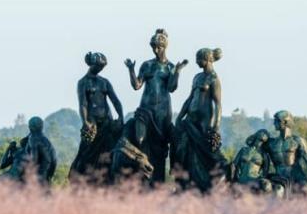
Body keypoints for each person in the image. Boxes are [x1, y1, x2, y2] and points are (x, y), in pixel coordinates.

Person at [124, 29, 187, 185]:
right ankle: (139, 174)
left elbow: (172, 87)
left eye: (158, 47)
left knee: (163, 145)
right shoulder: (147, 65)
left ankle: (161, 180)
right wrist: (131, 69)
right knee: (139, 139)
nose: (155, 50)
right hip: (145, 109)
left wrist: (177, 72)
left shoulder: (171, 67)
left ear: (164, 47)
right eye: (153, 47)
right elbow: (137, 85)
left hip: (163, 112)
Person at [171, 47, 228, 192]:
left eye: (199, 59)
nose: (197, 61)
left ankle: (219, 176)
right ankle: (185, 182)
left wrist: (215, 126)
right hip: (190, 120)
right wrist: (179, 116)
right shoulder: (197, 77)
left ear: (207, 59)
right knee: (183, 149)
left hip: (205, 121)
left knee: (208, 151)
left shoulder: (214, 78)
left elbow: (217, 104)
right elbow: (190, 98)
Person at [69, 52, 124, 185]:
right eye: (98, 66)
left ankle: (113, 178)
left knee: (114, 151)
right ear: (92, 65)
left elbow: (116, 101)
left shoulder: (104, 82)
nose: (100, 69)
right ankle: (81, 177)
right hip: (92, 124)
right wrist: (85, 122)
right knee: (86, 153)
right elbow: (83, 104)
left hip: (107, 122)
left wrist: (121, 117)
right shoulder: (83, 82)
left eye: (102, 67)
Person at [264, 110, 307, 198]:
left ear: (284, 122)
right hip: (279, 177)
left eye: (276, 121)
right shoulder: (271, 143)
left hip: (297, 177)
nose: (274, 123)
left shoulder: (297, 141)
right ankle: (276, 211)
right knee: (278, 190)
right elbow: (255, 149)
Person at [0, 116, 57, 186]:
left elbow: (34, 161)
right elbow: (2, 165)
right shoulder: (18, 151)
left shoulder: (32, 142)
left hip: (19, 179)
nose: (24, 141)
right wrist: (9, 149)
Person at [231, 129, 273, 194]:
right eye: (259, 139)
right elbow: (234, 165)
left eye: (262, 141)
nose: (259, 142)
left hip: (254, 181)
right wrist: (233, 179)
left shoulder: (264, 154)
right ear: (255, 137)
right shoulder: (244, 150)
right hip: (241, 180)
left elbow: (265, 172)